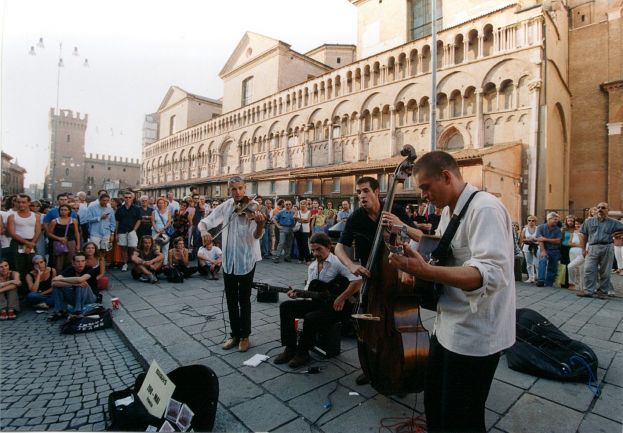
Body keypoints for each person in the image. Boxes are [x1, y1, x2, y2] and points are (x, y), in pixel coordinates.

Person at [386, 150, 515, 433]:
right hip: (447, 328)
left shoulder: (485, 210)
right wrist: (415, 256)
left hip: (474, 336)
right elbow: (442, 250)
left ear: (445, 176)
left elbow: (488, 275)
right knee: (436, 408)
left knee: (461, 420)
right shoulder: (449, 211)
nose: (423, 196)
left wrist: (425, 271)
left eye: (425, 187)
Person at [334, 176, 416, 386]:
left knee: (397, 323)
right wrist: (351, 266)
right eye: (358, 192)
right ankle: (370, 366)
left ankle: (401, 362)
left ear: (377, 192)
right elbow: (339, 248)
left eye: (365, 191)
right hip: (370, 281)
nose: (361, 196)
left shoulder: (394, 210)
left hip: (394, 277)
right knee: (369, 325)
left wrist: (400, 226)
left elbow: (420, 235)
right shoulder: (356, 218)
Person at [198, 175, 265, 353]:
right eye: (234, 189)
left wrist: (260, 225)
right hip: (229, 260)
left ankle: (245, 336)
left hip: (246, 259)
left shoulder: (253, 208)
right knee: (230, 299)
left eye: (240, 188)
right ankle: (235, 334)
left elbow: (256, 236)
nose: (237, 193)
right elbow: (207, 220)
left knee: (244, 299)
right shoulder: (226, 206)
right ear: (230, 190)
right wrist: (204, 230)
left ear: (245, 188)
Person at [274, 233, 362, 368]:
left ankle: (303, 353)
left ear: (328, 247)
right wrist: (297, 294)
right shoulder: (312, 266)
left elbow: (358, 281)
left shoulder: (338, 262)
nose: (315, 253)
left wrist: (341, 298)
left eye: (318, 249)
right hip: (319, 303)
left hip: (337, 307)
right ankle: (290, 348)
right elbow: (310, 290)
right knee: (286, 307)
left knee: (311, 317)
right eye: (313, 250)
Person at [578, 202, 623, 298]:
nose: (600, 209)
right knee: (589, 269)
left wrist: (617, 234)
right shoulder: (589, 222)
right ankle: (588, 291)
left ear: (607, 210)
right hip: (592, 247)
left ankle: (602, 292)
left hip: (607, 247)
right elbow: (583, 235)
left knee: (605, 271)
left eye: (603, 207)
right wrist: (583, 249)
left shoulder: (613, 222)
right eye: (598, 207)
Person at [48, 253, 97, 321]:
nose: (80, 263)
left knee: (82, 283)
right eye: (78, 261)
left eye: (83, 261)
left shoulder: (90, 269)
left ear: (85, 262)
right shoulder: (70, 269)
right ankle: (60, 311)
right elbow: (54, 283)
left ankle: (77, 312)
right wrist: (73, 284)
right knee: (57, 286)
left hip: (89, 298)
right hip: (76, 297)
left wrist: (61, 279)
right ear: (73, 263)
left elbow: (80, 279)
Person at [7, 194, 41, 287]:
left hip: (32, 242)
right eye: (18, 202)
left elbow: (38, 231)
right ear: (15, 203)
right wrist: (27, 244)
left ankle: (31, 287)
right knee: (18, 266)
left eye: (23, 202)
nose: (21, 204)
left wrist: (32, 244)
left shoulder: (36, 216)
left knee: (32, 265)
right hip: (17, 243)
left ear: (29, 203)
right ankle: (20, 290)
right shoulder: (12, 216)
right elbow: (12, 233)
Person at [46, 204, 80, 273]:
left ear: (69, 211)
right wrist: (59, 238)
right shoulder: (54, 221)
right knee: (58, 262)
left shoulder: (74, 221)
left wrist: (78, 245)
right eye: (61, 210)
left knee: (70, 260)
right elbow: (49, 233)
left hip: (71, 242)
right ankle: (58, 276)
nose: (63, 211)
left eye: (65, 210)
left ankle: (68, 276)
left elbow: (77, 233)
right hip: (58, 243)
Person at [115, 192, 142, 272]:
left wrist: (134, 230)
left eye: (129, 197)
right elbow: (117, 222)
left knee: (133, 248)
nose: (127, 199)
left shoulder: (136, 208)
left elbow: (139, 220)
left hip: (132, 231)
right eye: (126, 197)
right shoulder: (120, 209)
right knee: (123, 248)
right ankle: (125, 264)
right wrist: (116, 233)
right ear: (123, 198)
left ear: (132, 198)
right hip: (122, 230)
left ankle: (135, 263)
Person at [535, 212, 563, 287]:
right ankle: (541, 280)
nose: (556, 221)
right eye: (555, 219)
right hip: (544, 248)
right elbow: (540, 239)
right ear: (549, 219)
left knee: (553, 266)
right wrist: (543, 251)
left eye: (557, 219)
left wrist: (545, 239)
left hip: (555, 250)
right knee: (542, 261)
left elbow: (558, 241)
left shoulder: (557, 229)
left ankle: (549, 283)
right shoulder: (540, 227)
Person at [152, 197, 173, 265]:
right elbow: (153, 221)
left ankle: (165, 264)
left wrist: (163, 229)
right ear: (157, 204)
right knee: (156, 248)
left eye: (162, 203)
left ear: (165, 204)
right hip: (155, 231)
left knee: (165, 248)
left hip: (165, 231)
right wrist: (157, 229)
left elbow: (169, 222)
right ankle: (156, 264)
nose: (161, 204)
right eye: (159, 203)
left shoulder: (168, 212)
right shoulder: (154, 212)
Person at [519, 215, 539, 283]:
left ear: (535, 221)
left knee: (537, 263)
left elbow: (540, 238)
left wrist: (534, 239)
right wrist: (528, 240)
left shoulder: (538, 229)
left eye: (533, 220)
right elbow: (522, 239)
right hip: (527, 247)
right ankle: (531, 278)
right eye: (529, 220)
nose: (531, 222)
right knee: (529, 263)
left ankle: (539, 277)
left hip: (536, 247)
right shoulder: (525, 229)